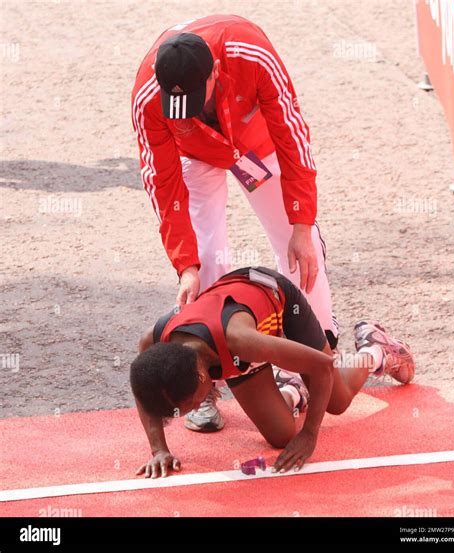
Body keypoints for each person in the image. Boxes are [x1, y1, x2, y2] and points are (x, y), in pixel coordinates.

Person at [131, 14, 339, 432]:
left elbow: (292, 136)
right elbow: (164, 184)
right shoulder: (149, 97)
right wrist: (185, 263)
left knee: (301, 249)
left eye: (194, 97)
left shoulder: (250, 53)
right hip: (194, 152)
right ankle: (202, 386)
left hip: (256, 144)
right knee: (205, 262)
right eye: (178, 104)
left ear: (214, 74)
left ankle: (319, 354)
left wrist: (300, 224)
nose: (185, 108)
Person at [130, 266, 415, 477]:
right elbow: (144, 386)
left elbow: (322, 365)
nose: (191, 410)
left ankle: (375, 349)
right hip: (231, 338)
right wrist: (160, 450)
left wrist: (310, 434)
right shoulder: (154, 342)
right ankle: (293, 384)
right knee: (281, 437)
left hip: (278, 301)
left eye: (190, 403)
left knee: (335, 402)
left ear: (204, 377)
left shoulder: (242, 341)